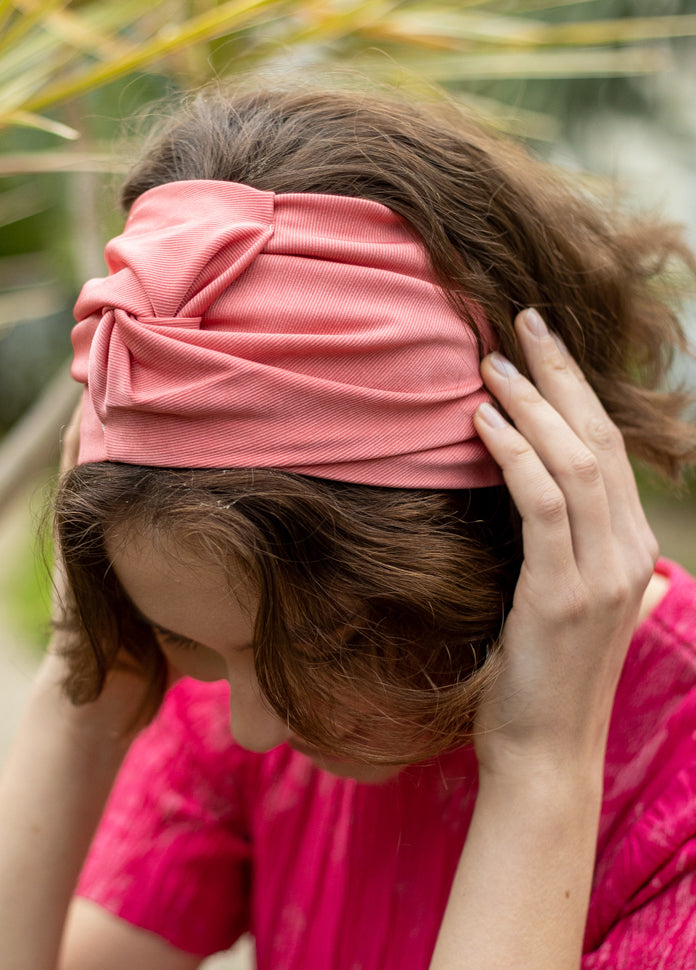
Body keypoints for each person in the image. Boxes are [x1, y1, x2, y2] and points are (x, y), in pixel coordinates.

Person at [1, 83, 695, 970]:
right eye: (188, 642)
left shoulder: (675, 792)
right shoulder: (244, 658)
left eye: (328, 646)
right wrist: (85, 685)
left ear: (510, 526)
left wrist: (540, 768)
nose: (251, 727)